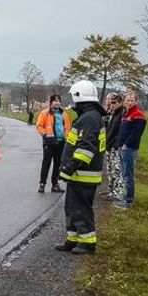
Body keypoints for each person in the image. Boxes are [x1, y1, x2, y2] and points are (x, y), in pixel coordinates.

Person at [55, 79, 106, 254]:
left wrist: (71, 166)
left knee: (81, 208)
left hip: (84, 173)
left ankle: (88, 243)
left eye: (73, 97)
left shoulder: (90, 118)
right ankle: (73, 239)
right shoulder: (89, 116)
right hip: (79, 173)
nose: (72, 101)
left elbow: (87, 147)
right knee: (72, 206)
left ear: (79, 96)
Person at [115, 91, 146, 208]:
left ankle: (128, 201)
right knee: (124, 175)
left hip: (128, 149)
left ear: (136, 102)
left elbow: (136, 134)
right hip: (121, 148)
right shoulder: (126, 114)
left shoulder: (138, 115)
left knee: (128, 175)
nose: (129, 102)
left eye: (131, 100)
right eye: (127, 100)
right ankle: (124, 198)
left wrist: (126, 145)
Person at [35, 94, 70, 193]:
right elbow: (39, 126)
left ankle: (55, 184)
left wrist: (66, 137)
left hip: (61, 142)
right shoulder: (45, 113)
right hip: (49, 142)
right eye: (55, 100)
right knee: (46, 163)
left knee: (58, 164)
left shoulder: (64, 114)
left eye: (59, 100)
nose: (57, 102)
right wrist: (45, 135)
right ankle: (42, 184)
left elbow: (67, 127)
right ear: (51, 102)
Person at [102, 92, 125, 201]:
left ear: (120, 102)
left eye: (114, 102)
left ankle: (117, 194)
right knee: (110, 170)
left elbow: (120, 132)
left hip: (115, 147)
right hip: (108, 145)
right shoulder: (112, 114)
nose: (112, 105)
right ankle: (111, 191)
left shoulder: (121, 115)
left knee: (116, 171)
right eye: (111, 102)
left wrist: (116, 145)